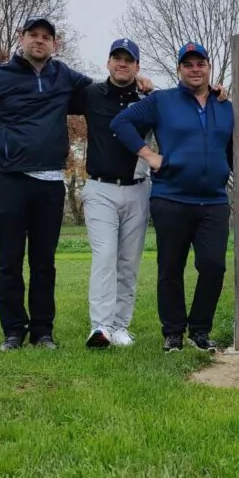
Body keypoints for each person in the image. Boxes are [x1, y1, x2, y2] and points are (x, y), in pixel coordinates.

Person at [110, 41, 239, 353]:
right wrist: (149, 156)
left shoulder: (225, 105)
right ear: (179, 69)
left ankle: (200, 331)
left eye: (200, 64)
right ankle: (174, 333)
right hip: (171, 199)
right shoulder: (161, 101)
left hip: (215, 202)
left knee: (213, 266)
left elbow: (234, 153)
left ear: (209, 68)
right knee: (170, 268)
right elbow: (120, 124)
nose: (195, 69)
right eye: (188, 64)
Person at [0, 17, 94, 352]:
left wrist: (139, 81)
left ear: (55, 43)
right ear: (21, 39)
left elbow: (103, 92)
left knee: (43, 262)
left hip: (50, 183)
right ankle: (13, 331)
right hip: (10, 180)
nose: (39, 41)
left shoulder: (63, 75)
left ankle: (42, 331)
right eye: (33, 35)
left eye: (46, 36)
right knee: (9, 260)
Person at [69, 38, 153, 349]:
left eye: (128, 60)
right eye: (116, 58)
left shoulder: (148, 99)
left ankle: (120, 326)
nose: (122, 63)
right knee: (105, 257)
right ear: (108, 63)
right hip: (100, 188)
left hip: (138, 189)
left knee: (128, 261)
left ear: (137, 66)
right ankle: (100, 326)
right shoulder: (90, 94)